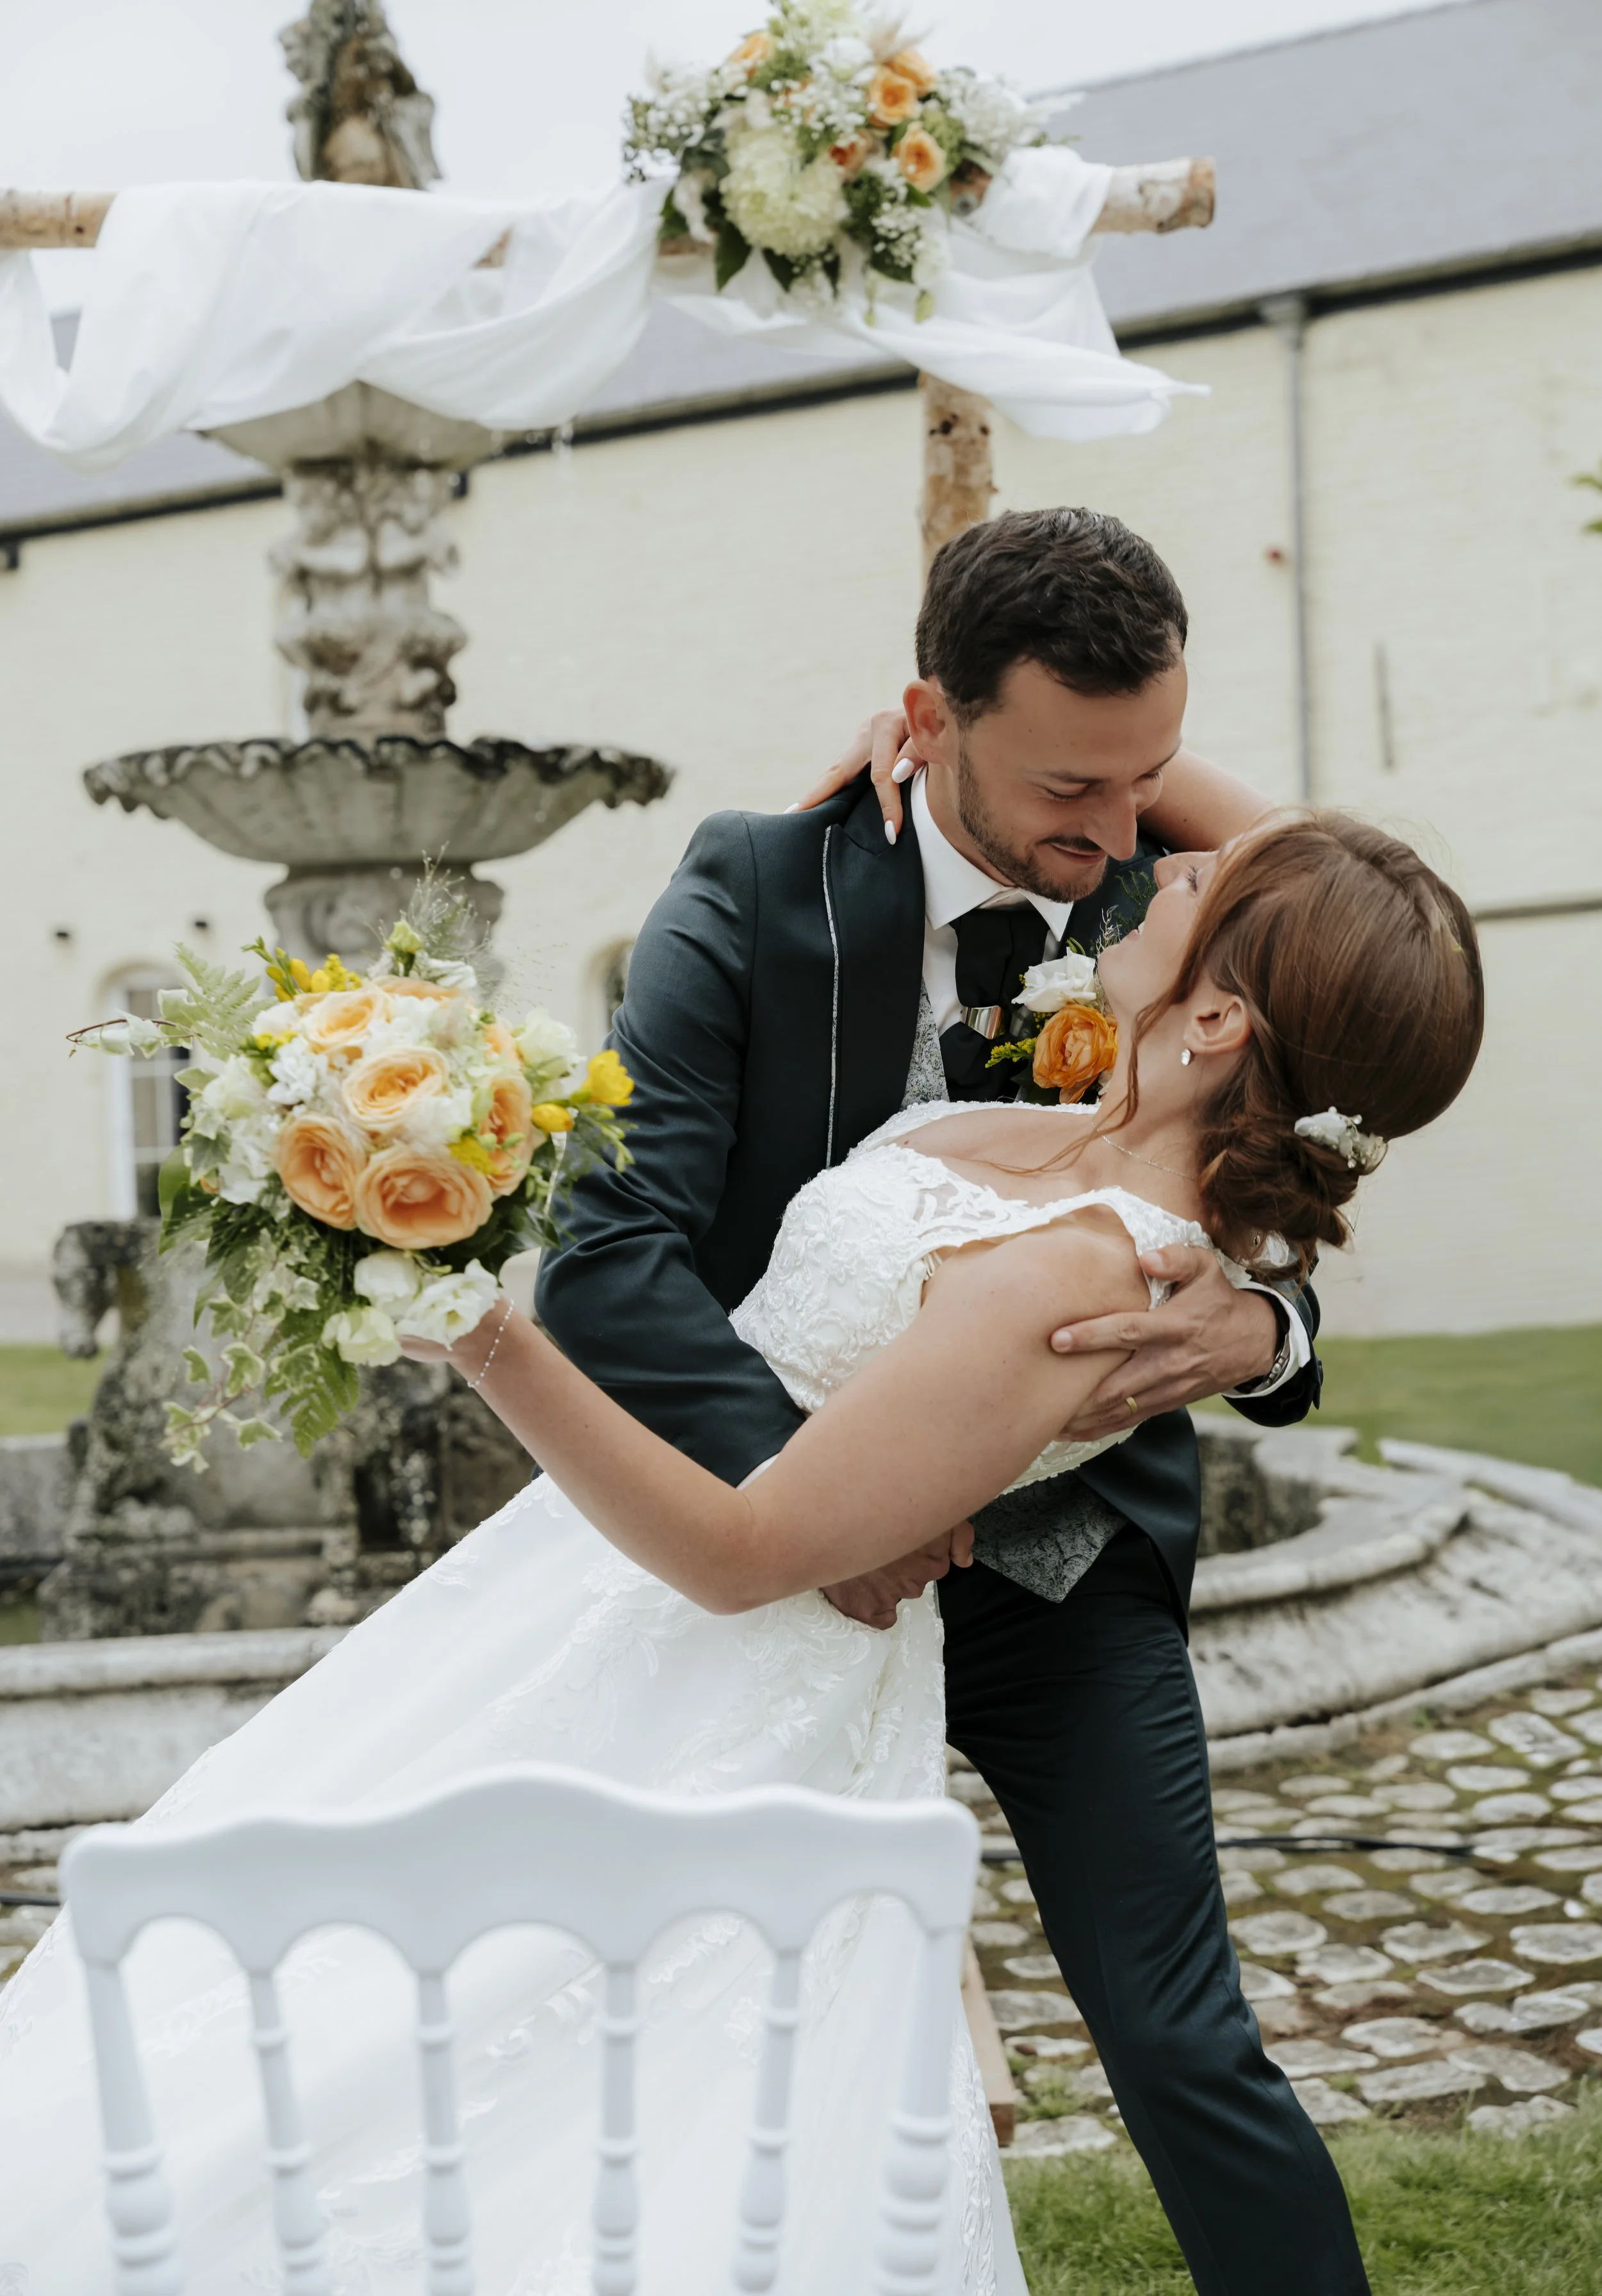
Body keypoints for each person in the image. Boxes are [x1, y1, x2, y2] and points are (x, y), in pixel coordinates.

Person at [0, 523, 1483, 2296]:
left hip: (1066, 1567)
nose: (1122, 831)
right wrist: (823, 1500)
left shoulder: (1179, 916)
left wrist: (1264, 1319)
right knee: (638, 1995)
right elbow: (618, 1250)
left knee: (1177, 2026)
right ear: (930, 721)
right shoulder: (762, 884)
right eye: (1073, 785)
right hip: (791, 1530)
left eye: (1149, 777)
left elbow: (1354, 976)